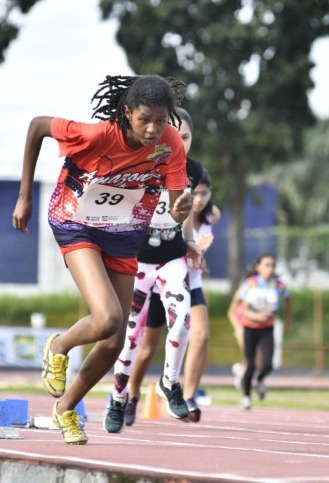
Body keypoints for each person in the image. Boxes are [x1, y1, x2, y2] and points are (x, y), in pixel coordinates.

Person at [12, 74, 194, 445]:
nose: (153, 129)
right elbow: (36, 128)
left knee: (114, 340)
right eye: (145, 119)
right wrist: (25, 195)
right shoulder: (97, 135)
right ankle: (59, 346)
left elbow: (175, 211)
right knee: (108, 316)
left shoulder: (170, 143)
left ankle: (66, 410)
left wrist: (182, 208)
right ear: (127, 113)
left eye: (161, 120)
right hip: (76, 221)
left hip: (125, 233)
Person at [105, 107, 207, 432]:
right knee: (132, 340)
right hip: (137, 264)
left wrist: (190, 241)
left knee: (182, 324)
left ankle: (170, 382)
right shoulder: (138, 162)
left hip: (173, 260)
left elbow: (187, 212)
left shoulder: (192, 170)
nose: (178, 140)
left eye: (185, 135)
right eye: (171, 132)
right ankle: (118, 398)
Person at [227, 253, 292, 410]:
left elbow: (288, 302)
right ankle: (246, 397)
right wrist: (239, 326)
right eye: (267, 265)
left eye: (272, 265)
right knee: (251, 364)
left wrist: (289, 321)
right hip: (249, 328)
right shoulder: (250, 284)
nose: (270, 268)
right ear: (258, 267)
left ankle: (260, 378)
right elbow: (237, 310)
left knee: (268, 364)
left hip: (267, 329)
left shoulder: (279, 285)